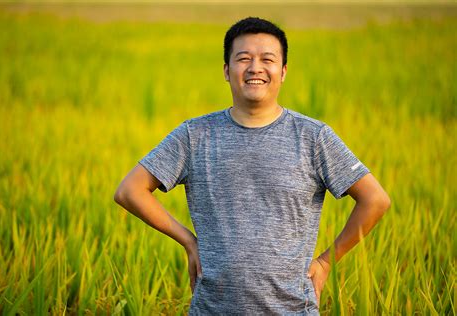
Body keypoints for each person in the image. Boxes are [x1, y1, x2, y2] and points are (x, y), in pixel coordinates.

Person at [114, 17, 391, 315]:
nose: (255, 68)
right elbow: (130, 191)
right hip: (212, 308)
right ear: (226, 70)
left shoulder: (314, 137)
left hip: (293, 309)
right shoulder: (194, 135)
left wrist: (325, 263)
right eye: (243, 58)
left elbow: (375, 200)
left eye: (267, 59)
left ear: (283, 71)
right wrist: (189, 241)